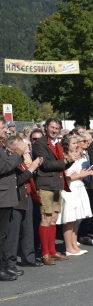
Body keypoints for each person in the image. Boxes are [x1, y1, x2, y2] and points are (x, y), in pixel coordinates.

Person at [32, 117, 77, 265]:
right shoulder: (39, 143)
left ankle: (52, 250)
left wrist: (70, 160)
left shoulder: (56, 144)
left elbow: (61, 167)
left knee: (54, 218)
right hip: (45, 185)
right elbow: (46, 165)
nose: (54, 130)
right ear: (46, 127)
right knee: (46, 218)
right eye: (52, 127)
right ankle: (45, 253)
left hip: (57, 184)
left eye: (57, 128)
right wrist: (66, 160)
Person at [4, 135, 43, 276]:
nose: (24, 147)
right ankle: (10, 263)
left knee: (28, 230)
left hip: (26, 197)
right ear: (11, 147)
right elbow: (17, 181)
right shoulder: (10, 160)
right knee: (13, 235)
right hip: (15, 198)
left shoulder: (21, 159)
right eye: (20, 145)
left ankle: (29, 257)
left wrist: (32, 166)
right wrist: (30, 169)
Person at [0, 117, 31, 281]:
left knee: (4, 235)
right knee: (1, 235)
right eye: (2, 127)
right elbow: (3, 167)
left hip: (7, 195)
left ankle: (6, 266)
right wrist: (18, 153)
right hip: (2, 195)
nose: (5, 130)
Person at [56, 134, 93, 255]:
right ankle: (69, 247)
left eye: (76, 143)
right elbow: (64, 177)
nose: (76, 145)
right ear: (67, 145)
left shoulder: (78, 156)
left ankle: (74, 245)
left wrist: (87, 172)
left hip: (78, 187)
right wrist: (81, 175)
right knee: (69, 219)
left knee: (75, 219)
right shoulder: (63, 157)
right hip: (69, 189)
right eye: (73, 143)